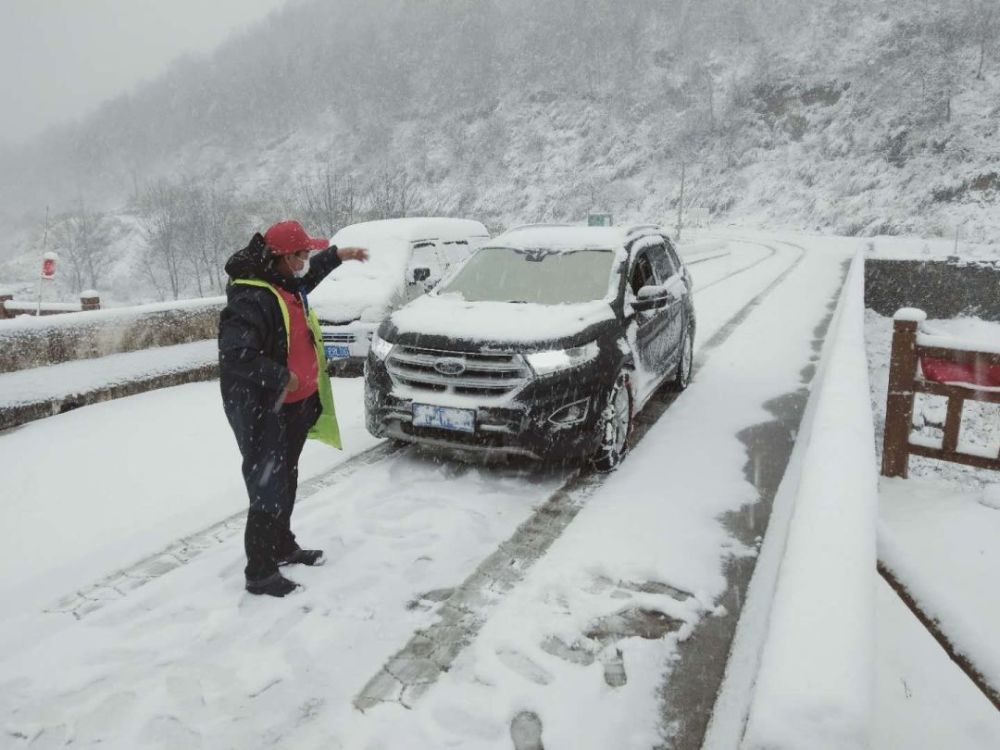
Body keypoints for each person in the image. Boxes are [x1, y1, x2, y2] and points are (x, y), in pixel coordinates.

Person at [219, 220, 369, 597]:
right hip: (264, 410)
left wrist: (336, 255)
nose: (306, 260)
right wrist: (279, 377)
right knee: (267, 487)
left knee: (286, 478)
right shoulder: (251, 297)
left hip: (295, 407)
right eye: (301, 254)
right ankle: (260, 572)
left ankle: (282, 545)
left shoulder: (284, 281)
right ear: (282, 257)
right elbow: (236, 354)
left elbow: (308, 278)